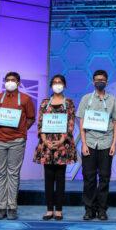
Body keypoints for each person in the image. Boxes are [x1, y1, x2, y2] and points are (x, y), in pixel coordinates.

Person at [78, 70, 116, 221]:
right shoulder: (86, 99)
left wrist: (114, 143)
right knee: (89, 178)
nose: (99, 82)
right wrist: (83, 143)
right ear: (93, 82)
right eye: (97, 80)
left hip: (106, 143)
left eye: (102, 80)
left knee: (104, 178)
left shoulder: (113, 100)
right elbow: (81, 122)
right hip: (89, 142)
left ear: (107, 82)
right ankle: (89, 209)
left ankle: (102, 209)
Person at [0, 72, 36, 220]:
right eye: (8, 80)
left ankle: (12, 207)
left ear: (18, 83)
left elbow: (31, 118)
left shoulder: (25, 98)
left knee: (13, 174)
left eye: (13, 80)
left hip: (17, 140)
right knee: (1, 173)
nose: (10, 82)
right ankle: (1, 207)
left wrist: (22, 129)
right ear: (4, 82)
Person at [33, 74, 77, 220]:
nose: (57, 84)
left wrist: (61, 141)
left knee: (60, 179)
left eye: (60, 82)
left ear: (64, 85)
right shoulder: (45, 103)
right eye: (55, 82)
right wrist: (45, 141)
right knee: (48, 179)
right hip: (46, 146)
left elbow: (70, 123)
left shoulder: (69, 103)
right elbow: (40, 123)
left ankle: (59, 209)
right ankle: (49, 209)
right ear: (51, 85)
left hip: (62, 146)